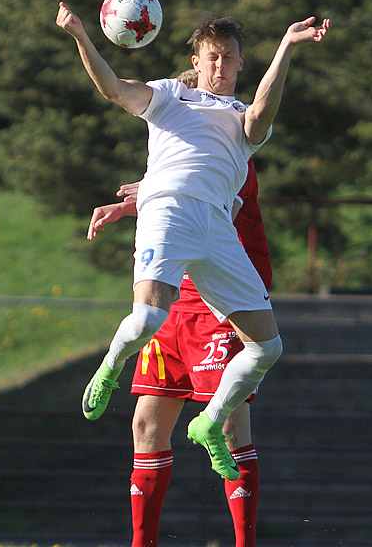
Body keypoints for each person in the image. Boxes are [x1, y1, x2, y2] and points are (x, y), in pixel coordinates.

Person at [57, 1, 330, 481]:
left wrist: (287, 44)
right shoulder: (167, 97)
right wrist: (81, 36)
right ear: (198, 62)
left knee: (268, 347)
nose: (221, 66)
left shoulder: (243, 120)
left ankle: (208, 423)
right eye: (213, 57)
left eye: (229, 57)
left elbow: (265, 111)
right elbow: (113, 88)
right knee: (148, 316)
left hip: (218, 228)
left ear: (241, 62)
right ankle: (109, 367)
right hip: (168, 210)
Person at [87, 68, 270, 547]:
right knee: (146, 424)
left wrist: (142, 195)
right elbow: (174, 192)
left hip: (216, 303)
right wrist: (132, 204)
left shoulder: (230, 143)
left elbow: (207, 200)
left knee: (230, 425)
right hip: (173, 302)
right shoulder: (177, 150)